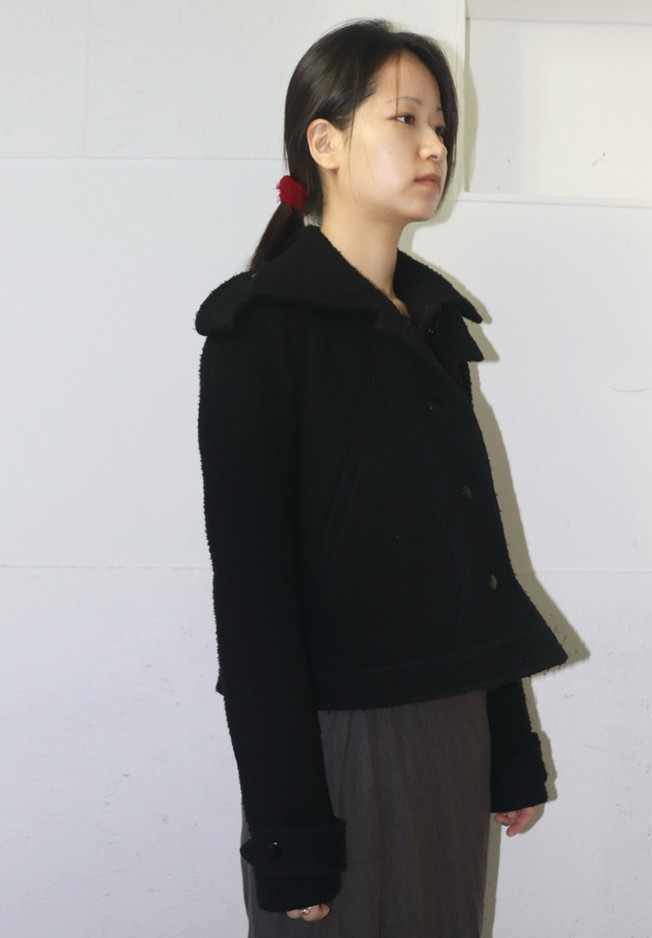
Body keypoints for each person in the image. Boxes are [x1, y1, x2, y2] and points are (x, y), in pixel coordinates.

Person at [196, 18, 567, 937]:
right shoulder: (260, 333)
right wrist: (287, 829)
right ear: (323, 142)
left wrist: (508, 744)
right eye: (405, 119)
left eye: (441, 124)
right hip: (338, 742)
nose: (435, 145)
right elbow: (252, 602)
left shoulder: (431, 326)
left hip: (452, 728)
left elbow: (472, 557)